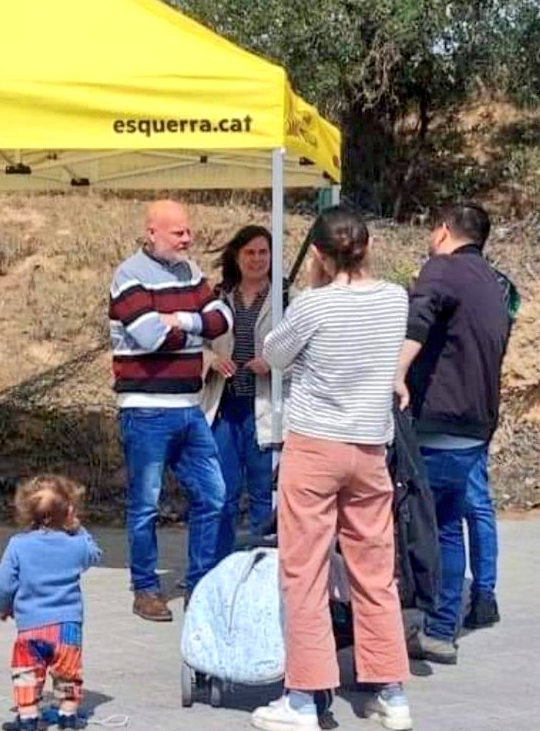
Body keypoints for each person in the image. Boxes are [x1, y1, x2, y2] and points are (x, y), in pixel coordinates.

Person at [252, 207, 412, 731]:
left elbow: (273, 354)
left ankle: (303, 696)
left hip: (316, 446)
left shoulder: (311, 305)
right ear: (368, 247)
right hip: (370, 448)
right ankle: (389, 690)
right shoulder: (395, 298)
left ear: (317, 254)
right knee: (374, 572)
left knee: (304, 572)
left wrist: (306, 292)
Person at [395, 203, 509, 665]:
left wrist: (397, 372)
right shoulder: (492, 283)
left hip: (436, 423)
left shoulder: (442, 268)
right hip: (474, 427)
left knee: (408, 526)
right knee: (446, 526)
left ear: (442, 232)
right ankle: (442, 629)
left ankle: (388, 627)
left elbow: (419, 316)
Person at [109, 199, 230, 622]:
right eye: (178, 232)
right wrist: (192, 324)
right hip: (145, 410)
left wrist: (178, 319)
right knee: (146, 504)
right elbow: (148, 338)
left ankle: (200, 583)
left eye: (187, 231)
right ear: (151, 233)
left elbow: (222, 320)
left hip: (189, 408)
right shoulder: (128, 277)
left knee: (214, 496)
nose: (187, 238)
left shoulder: (191, 272)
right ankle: (145, 589)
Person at [0, 475, 102, 731]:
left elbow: (3, 584)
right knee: (67, 674)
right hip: (67, 626)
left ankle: (28, 719)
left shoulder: (18, 546)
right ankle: (67, 716)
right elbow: (95, 554)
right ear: (69, 511)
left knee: (27, 674)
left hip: (30, 627)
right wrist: (79, 528)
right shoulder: (75, 545)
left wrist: (3, 607)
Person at [201, 224, 283, 560]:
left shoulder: (285, 299)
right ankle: (220, 565)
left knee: (264, 492)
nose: (257, 259)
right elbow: (196, 345)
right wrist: (212, 360)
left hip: (264, 408)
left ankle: (261, 568)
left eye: (263, 252)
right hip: (225, 407)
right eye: (249, 252)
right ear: (236, 256)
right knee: (223, 493)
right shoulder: (218, 299)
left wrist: (275, 363)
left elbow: (304, 353)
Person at [462, 263, 519, 631]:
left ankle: (481, 593)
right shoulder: (500, 285)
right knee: (473, 502)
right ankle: (481, 593)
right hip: (478, 405)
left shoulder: (449, 280)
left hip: (461, 409)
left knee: (471, 501)